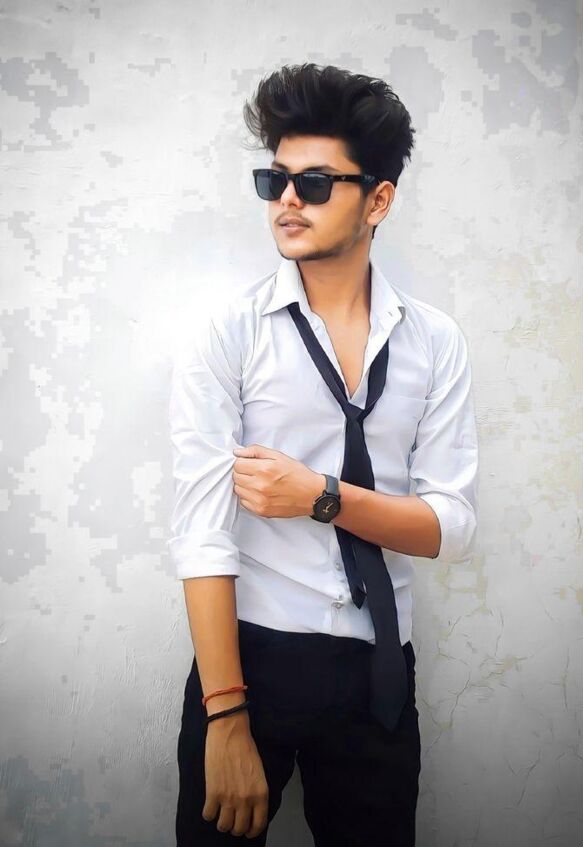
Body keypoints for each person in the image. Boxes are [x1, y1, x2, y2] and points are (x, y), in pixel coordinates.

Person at [169, 62, 479, 846]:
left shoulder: (435, 342)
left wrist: (321, 495)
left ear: (378, 200)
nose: (286, 201)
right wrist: (225, 715)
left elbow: (450, 527)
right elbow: (201, 532)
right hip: (250, 660)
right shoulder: (228, 332)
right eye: (274, 179)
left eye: (313, 183)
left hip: (380, 672)